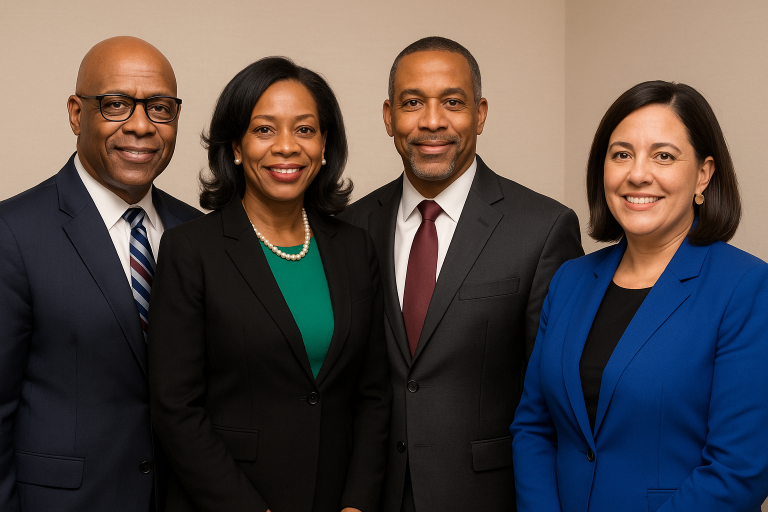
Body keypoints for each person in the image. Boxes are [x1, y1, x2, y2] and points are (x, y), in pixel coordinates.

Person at [339, 36, 583, 511]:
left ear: (481, 113)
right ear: (389, 116)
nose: (432, 121)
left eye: (453, 102)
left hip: (487, 496)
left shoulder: (543, 228)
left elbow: (553, 397)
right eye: (413, 103)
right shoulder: (350, 227)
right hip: (368, 495)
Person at [511, 81, 768, 512]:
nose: (637, 173)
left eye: (663, 156)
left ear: (703, 174)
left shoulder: (745, 287)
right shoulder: (571, 279)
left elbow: (738, 470)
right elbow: (534, 427)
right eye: (622, 154)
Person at [148, 56, 391, 512]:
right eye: (264, 130)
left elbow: (374, 395)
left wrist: (357, 503)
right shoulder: (191, 250)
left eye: (304, 129)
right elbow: (176, 409)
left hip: (336, 498)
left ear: (324, 146)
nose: (286, 147)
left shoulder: (355, 248)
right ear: (236, 147)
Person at [0, 37, 201, 512]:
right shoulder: (12, 234)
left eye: (159, 108)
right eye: (115, 105)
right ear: (76, 113)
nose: (140, 126)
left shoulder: (197, 232)